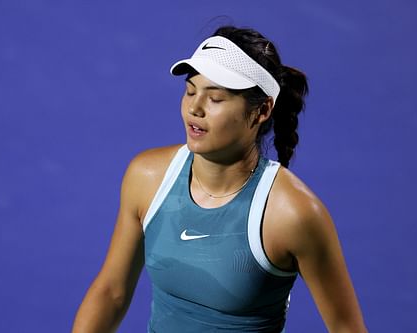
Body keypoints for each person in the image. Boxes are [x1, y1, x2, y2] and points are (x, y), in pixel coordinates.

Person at [72, 26, 367, 332]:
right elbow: (112, 292)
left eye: (215, 98)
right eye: (190, 91)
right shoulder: (147, 177)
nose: (194, 108)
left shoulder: (292, 215)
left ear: (262, 110)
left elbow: (348, 328)